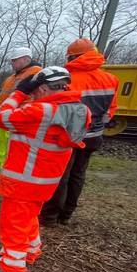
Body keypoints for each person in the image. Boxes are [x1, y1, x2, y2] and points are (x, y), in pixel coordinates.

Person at [0, 66, 91, 272]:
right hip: (46, 181)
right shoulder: (79, 111)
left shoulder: (39, 112)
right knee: (29, 216)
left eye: (34, 91)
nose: (31, 95)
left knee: (13, 222)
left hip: (23, 180)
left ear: (43, 88)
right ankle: (32, 251)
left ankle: (12, 266)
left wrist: (19, 92)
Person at [40, 39, 119, 226]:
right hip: (94, 136)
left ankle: (50, 216)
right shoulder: (111, 79)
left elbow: (58, 108)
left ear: (73, 56)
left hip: (68, 136)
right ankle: (66, 215)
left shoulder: (68, 79)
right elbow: (111, 110)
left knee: (60, 175)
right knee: (78, 174)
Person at [0, 47, 42, 171]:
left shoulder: (35, 73)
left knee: (12, 147)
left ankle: (9, 170)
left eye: (15, 60)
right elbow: (3, 95)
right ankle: (2, 169)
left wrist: (18, 114)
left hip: (14, 118)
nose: (12, 63)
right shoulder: (12, 77)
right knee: (2, 146)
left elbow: (32, 98)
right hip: (3, 117)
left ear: (26, 59)